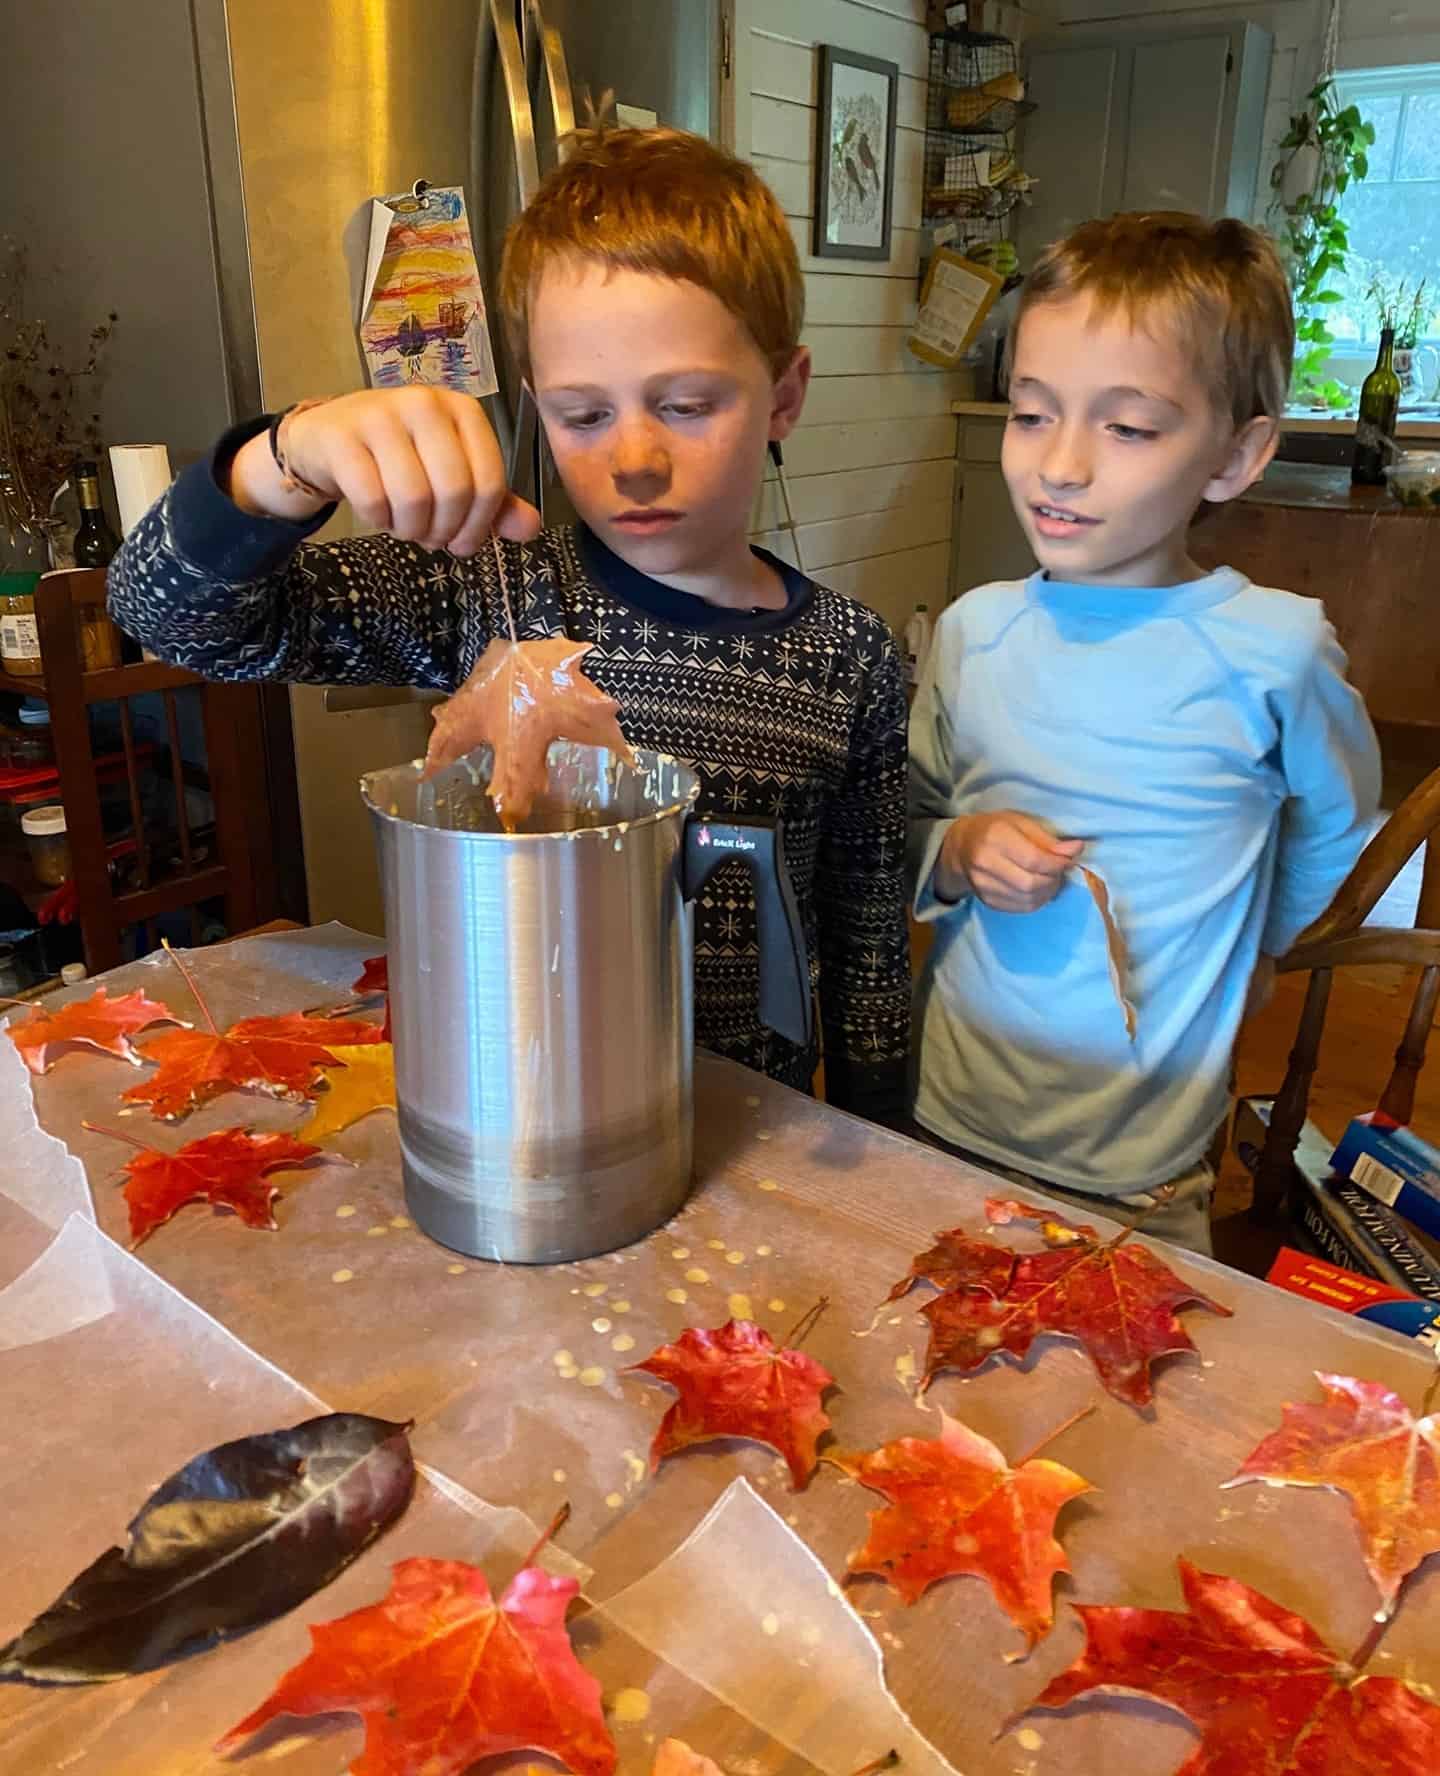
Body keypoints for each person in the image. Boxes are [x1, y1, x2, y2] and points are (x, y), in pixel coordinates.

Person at [108, 127, 910, 1120]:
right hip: (510, 1109)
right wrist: (283, 459)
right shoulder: (486, 591)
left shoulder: (851, 658)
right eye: (583, 417)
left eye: (689, 404)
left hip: (754, 1126)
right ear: (535, 407)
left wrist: (882, 1142)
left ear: (784, 394)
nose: (636, 460)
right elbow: (171, 619)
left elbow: (869, 937)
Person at [908, 212, 1381, 1253]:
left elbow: (1338, 829)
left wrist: (1259, 950)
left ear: (1236, 455)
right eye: (1032, 416)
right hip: (948, 1123)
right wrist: (959, 849)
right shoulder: (974, 632)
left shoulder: (1275, 653)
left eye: (1126, 428)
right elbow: (906, 826)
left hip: (1145, 1176)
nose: (1061, 465)